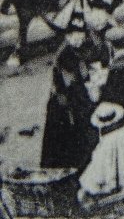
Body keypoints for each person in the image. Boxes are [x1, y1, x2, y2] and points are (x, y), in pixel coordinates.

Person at [40, 10, 100, 171]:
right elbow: (71, 82)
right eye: (74, 36)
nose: (78, 39)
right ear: (67, 36)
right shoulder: (65, 55)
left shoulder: (79, 49)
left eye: (80, 36)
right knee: (64, 137)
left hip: (74, 96)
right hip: (64, 102)